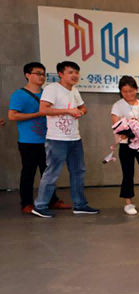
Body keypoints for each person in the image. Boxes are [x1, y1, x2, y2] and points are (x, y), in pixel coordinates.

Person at [32, 61, 99, 217]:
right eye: (70, 72)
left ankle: (80, 205)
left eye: (76, 72)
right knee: (52, 172)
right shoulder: (52, 89)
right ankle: (40, 205)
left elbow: (83, 108)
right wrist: (68, 111)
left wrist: (80, 112)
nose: (74, 75)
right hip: (56, 139)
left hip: (74, 138)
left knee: (78, 171)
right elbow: (43, 109)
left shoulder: (74, 90)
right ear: (60, 74)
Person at [8, 62, 68, 214]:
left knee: (49, 172)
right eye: (38, 73)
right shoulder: (19, 95)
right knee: (28, 172)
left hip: (50, 139)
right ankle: (26, 203)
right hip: (28, 141)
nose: (41, 77)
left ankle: (52, 200)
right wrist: (37, 114)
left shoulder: (47, 93)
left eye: (43, 74)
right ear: (27, 75)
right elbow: (12, 115)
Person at [111, 76, 139, 216]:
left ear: (136, 89)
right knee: (128, 173)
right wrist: (127, 129)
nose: (128, 94)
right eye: (125, 91)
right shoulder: (118, 105)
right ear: (121, 92)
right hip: (126, 144)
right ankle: (128, 203)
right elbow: (116, 125)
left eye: (131, 91)